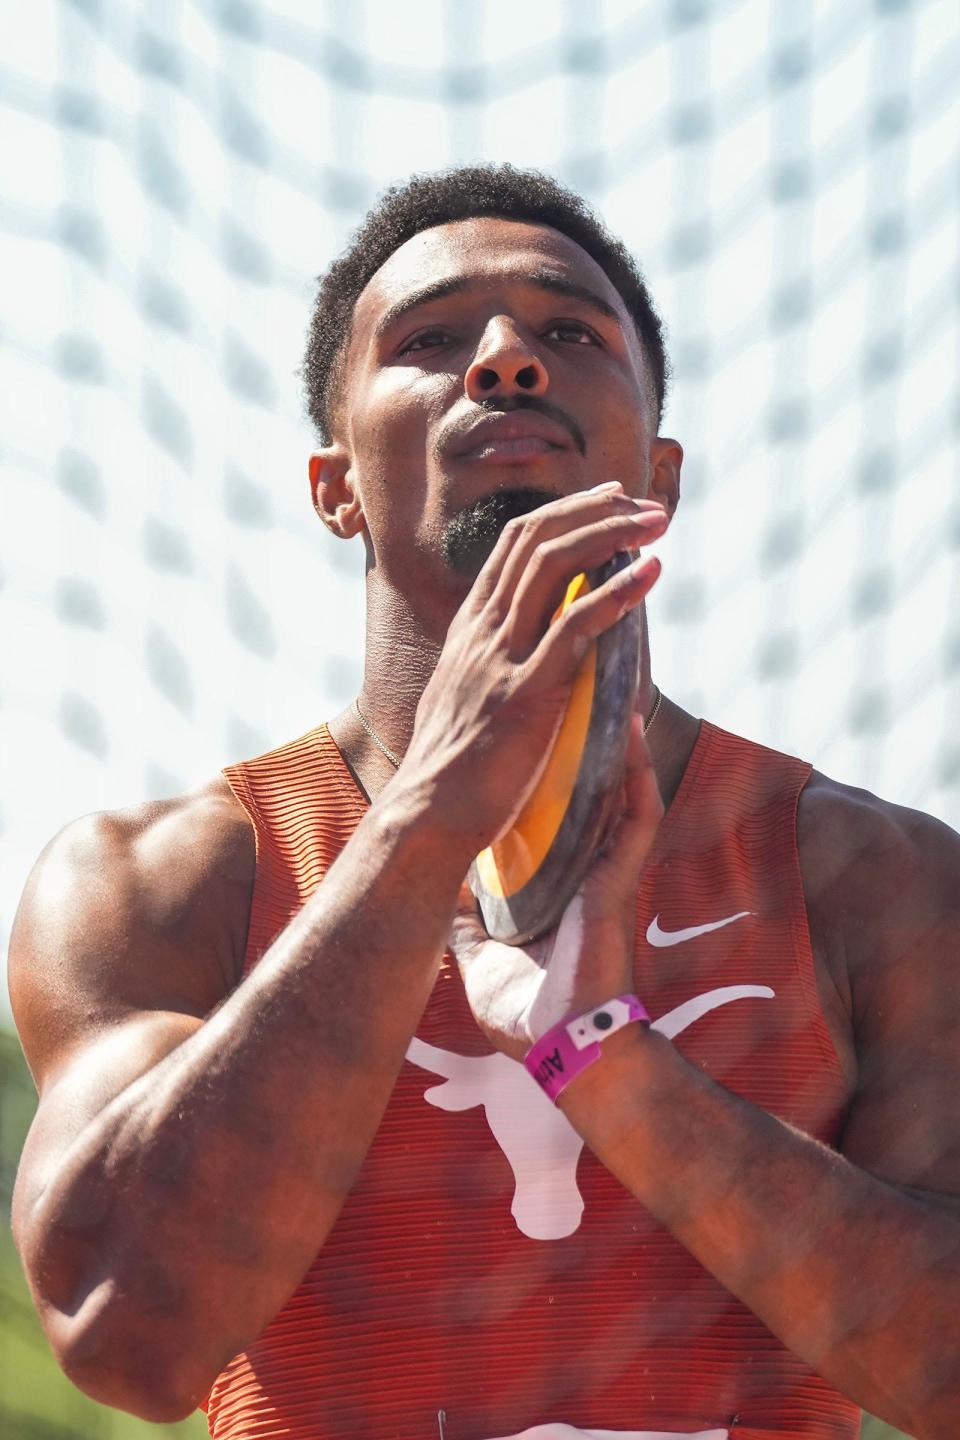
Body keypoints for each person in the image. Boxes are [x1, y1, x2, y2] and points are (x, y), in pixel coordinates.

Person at [9, 164, 960, 1440]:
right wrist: (428, 820)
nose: (507, 359)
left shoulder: (869, 875)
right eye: (431, 341)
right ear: (333, 483)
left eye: (569, 331)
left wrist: (606, 1065)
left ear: (660, 475)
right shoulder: (160, 881)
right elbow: (129, 1337)